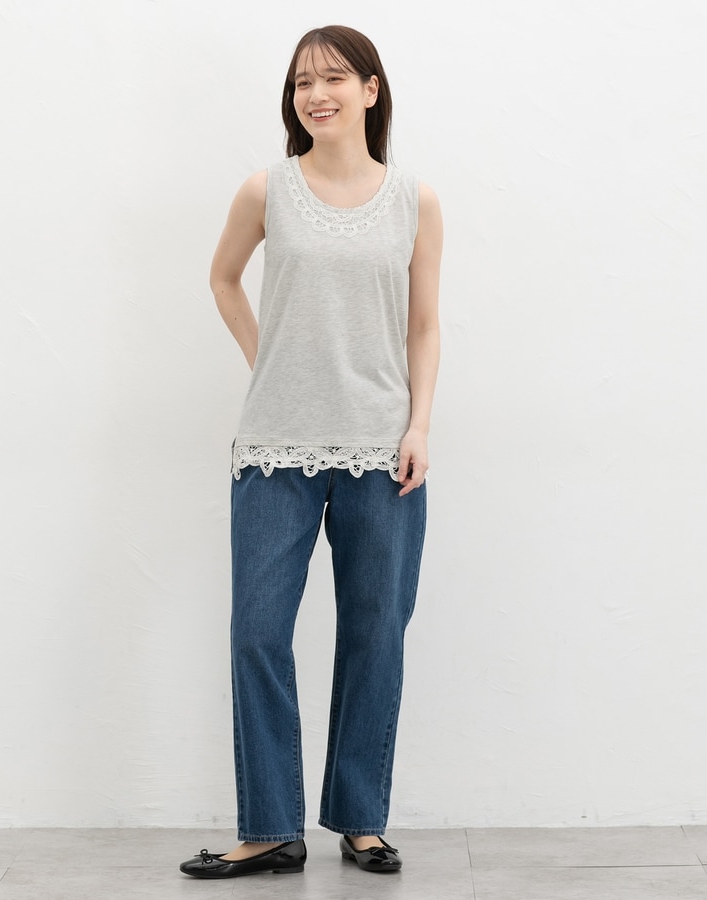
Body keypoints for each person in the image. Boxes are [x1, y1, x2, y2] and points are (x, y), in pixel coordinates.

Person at [180, 24, 442, 880]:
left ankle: (361, 822)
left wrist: (419, 425)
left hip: (381, 447)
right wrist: (270, 361)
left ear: (371, 89)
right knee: (258, 632)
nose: (315, 94)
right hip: (273, 448)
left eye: (333, 78)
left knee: (376, 635)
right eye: (301, 82)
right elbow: (222, 279)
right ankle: (270, 828)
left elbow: (424, 325)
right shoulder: (267, 190)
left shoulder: (415, 201)